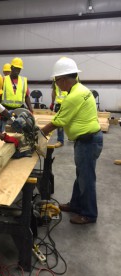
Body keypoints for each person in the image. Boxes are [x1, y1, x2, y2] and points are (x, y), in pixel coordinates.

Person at [41, 57, 103, 225]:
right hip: (88, 140)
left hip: (88, 142)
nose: (57, 85)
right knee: (81, 175)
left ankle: (89, 214)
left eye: (57, 81)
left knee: (86, 178)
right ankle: (76, 204)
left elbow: (58, 122)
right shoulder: (82, 89)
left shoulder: (73, 96)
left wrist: (38, 134)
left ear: (63, 79)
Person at [0, 57, 33, 132]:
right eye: (16, 68)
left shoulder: (23, 81)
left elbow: (26, 96)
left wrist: (30, 109)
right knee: (4, 132)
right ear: (11, 68)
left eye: (19, 69)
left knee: (19, 132)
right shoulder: (4, 80)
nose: (17, 71)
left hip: (19, 112)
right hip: (6, 112)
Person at [50, 81, 67, 148]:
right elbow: (54, 91)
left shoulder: (74, 76)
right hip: (60, 104)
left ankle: (75, 138)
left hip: (71, 103)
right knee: (59, 123)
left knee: (74, 121)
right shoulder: (55, 78)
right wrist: (52, 103)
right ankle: (60, 140)